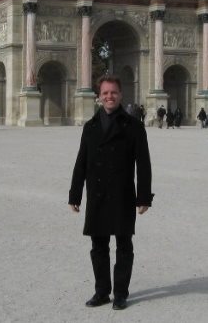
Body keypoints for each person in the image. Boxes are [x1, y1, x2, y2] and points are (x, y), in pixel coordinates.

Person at [69, 75, 154, 311]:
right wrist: (75, 194)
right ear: (99, 97)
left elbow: (143, 164)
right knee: (98, 246)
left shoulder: (134, 126)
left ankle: (120, 294)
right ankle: (101, 292)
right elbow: (81, 162)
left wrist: (144, 197)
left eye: (113, 92)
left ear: (120, 94)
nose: (109, 96)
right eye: (105, 93)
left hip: (122, 193)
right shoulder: (90, 126)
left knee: (124, 245)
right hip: (97, 193)